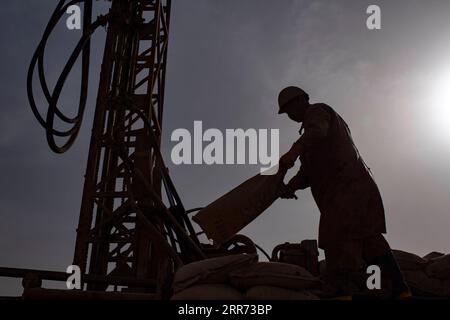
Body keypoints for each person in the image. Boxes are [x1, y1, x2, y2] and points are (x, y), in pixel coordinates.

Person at [277, 86, 411, 299]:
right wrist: (289, 187)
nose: (289, 115)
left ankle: (341, 294)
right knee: (371, 242)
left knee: (336, 240)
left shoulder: (318, 112)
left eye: (289, 108)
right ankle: (400, 291)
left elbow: (316, 132)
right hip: (355, 192)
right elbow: (307, 174)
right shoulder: (311, 137)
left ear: (302, 100)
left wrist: (292, 152)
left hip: (346, 191)